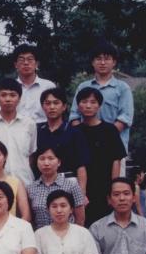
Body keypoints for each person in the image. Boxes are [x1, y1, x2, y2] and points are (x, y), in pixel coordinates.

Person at [68, 40, 135, 158]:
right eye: (98, 59)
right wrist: (83, 138)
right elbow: (74, 116)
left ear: (114, 62)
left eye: (107, 59)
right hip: (85, 147)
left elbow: (125, 118)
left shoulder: (122, 88)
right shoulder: (83, 87)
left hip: (114, 148)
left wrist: (104, 138)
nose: (102, 62)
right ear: (92, 62)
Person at [75, 87, 126, 224]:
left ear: (99, 106)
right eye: (84, 102)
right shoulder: (74, 131)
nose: (88, 106)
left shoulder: (110, 130)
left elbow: (116, 160)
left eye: (93, 102)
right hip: (82, 188)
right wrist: (80, 193)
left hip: (104, 187)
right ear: (78, 105)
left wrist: (113, 189)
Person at [0, 79, 37, 184]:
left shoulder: (29, 124)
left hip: (24, 182)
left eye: (13, 95)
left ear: (19, 98)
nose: (8, 99)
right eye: (3, 95)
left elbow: (31, 155)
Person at [36, 87, 90, 195]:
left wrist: (82, 193)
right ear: (42, 106)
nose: (52, 107)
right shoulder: (37, 131)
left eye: (56, 103)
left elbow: (81, 165)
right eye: (47, 103)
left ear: (64, 107)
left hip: (68, 182)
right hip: (43, 184)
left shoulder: (74, 132)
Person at [27, 144, 86, 230]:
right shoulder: (31, 188)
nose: (46, 163)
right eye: (42, 159)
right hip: (41, 235)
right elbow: (30, 219)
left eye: (51, 158)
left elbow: (80, 218)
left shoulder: (72, 185)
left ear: (59, 162)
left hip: (67, 235)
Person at [13, 44, 56, 124]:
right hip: (16, 127)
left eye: (30, 59)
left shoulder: (48, 86)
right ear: (16, 65)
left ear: (36, 64)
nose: (26, 63)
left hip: (43, 128)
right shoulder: (10, 88)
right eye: (21, 60)